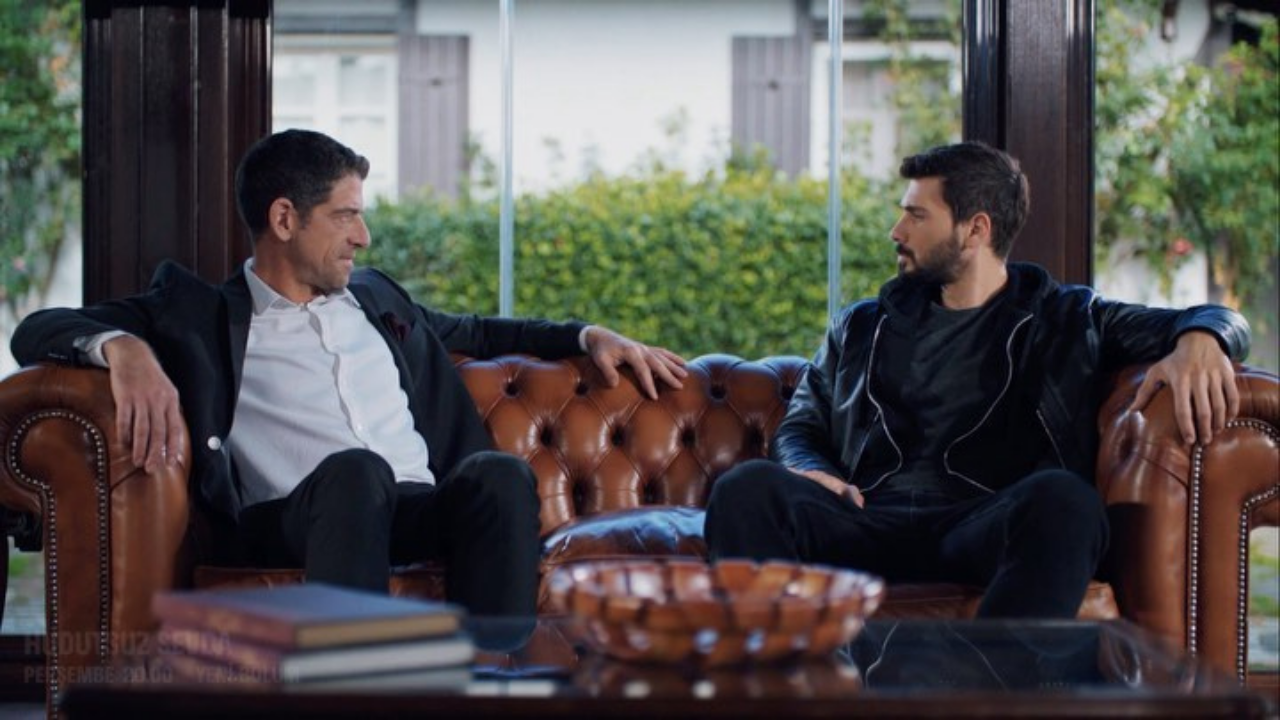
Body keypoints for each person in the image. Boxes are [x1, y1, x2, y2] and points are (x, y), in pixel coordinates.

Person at [11, 129, 687, 617]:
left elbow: (480, 331)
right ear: (284, 219)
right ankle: (355, 692)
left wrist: (586, 335)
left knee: (499, 475)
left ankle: (493, 679)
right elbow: (36, 329)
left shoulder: (376, 298)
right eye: (345, 216)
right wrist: (124, 349)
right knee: (358, 472)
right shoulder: (201, 314)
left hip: (413, 509)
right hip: (296, 516)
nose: (362, 236)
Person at [704, 141, 1250, 618]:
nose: (897, 231)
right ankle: (772, 682)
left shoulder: (1069, 316)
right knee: (744, 489)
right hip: (867, 517)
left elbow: (1216, 318)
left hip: (980, 523)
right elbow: (801, 425)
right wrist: (811, 469)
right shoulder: (862, 325)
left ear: (975, 230)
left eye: (916, 216)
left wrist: (1205, 338)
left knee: (1067, 502)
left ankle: (990, 682)